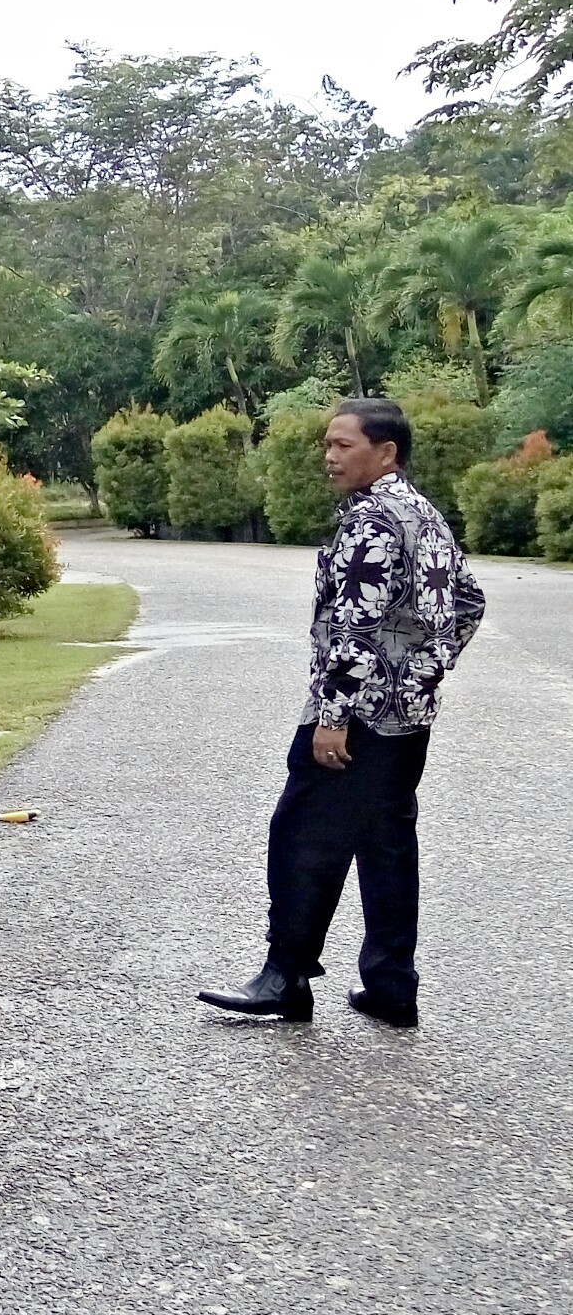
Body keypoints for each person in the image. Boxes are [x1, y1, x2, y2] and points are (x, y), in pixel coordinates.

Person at [199, 399, 484, 1027]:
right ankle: (391, 987)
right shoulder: (423, 513)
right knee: (387, 845)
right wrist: (421, 675)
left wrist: (334, 715)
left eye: (343, 445)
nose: (329, 456)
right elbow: (468, 602)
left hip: (354, 718)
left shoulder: (373, 519)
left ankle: (284, 977)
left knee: (302, 835)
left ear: (386, 452)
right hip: (406, 717)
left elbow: (356, 627)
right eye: (327, 444)